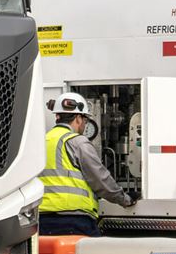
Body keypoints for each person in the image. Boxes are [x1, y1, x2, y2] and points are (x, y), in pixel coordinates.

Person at [38, 93, 136, 236]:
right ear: (78, 118)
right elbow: (99, 179)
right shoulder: (78, 142)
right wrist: (125, 199)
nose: (85, 125)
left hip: (42, 220)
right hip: (74, 219)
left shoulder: (41, 142)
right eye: (85, 120)